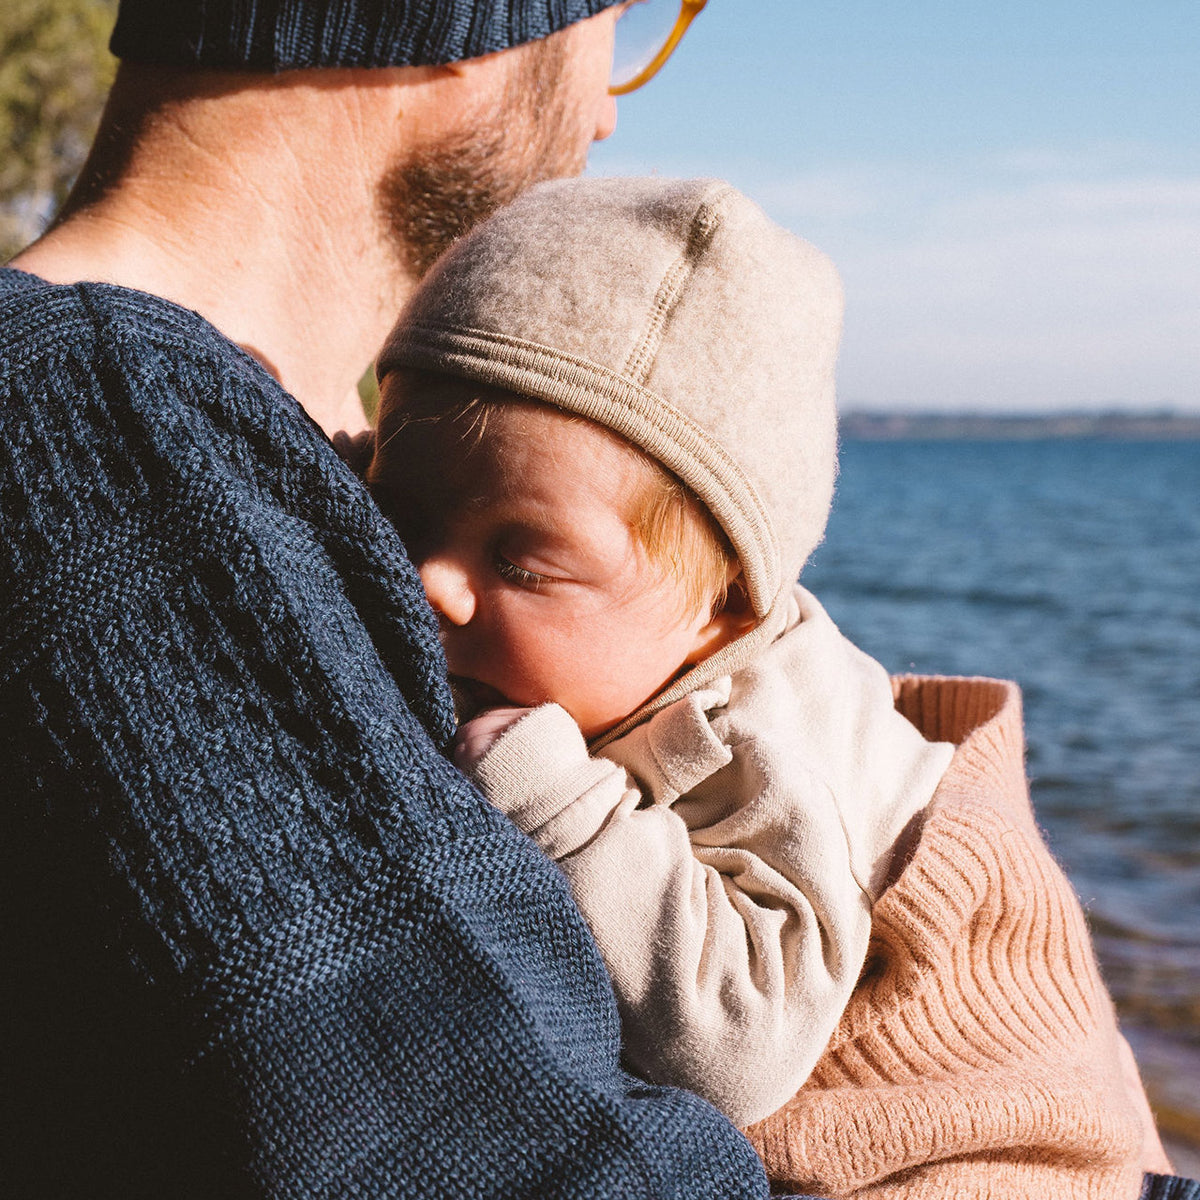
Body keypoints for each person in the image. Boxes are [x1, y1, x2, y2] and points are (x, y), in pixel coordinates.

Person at [0, 4, 780, 1197]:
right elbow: (514, 1164)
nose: (611, 105)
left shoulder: (179, 441)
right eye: (621, 27)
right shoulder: (102, 436)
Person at [368, 175, 1176, 1199]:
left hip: (980, 1159)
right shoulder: (634, 639)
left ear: (727, 612)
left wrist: (561, 808)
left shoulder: (761, 740)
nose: (432, 580)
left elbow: (736, 1052)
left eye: (523, 563)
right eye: (399, 513)